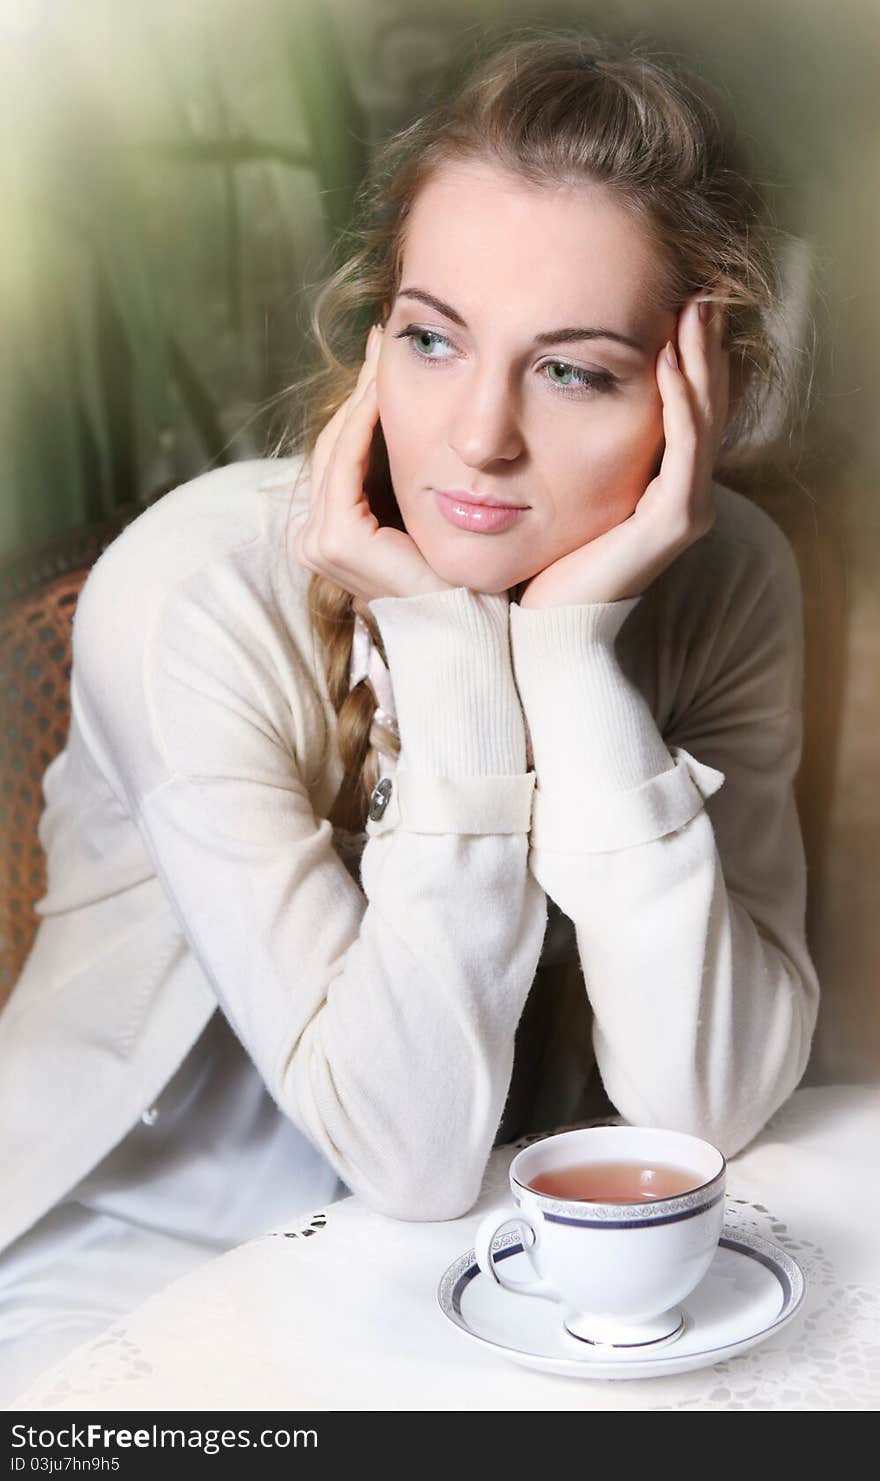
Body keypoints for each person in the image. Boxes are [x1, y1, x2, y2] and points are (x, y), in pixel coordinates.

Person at [0, 26, 820, 1403]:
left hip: (485, 1260)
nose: (477, 437)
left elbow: (710, 1105)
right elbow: (411, 1142)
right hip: (134, 1254)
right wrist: (449, 649)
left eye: (574, 369)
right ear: (378, 339)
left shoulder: (732, 581)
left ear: (700, 389)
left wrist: (570, 659)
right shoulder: (195, 594)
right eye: (436, 341)